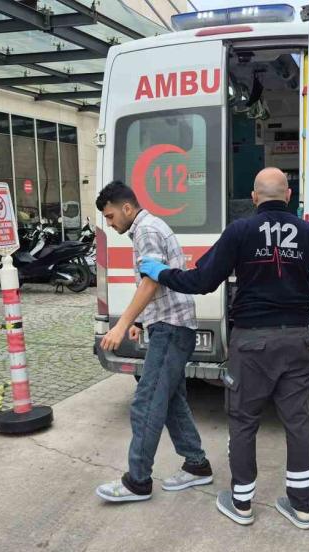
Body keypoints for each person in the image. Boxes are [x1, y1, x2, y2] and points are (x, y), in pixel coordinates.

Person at [139, 168, 309, 530]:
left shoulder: (240, 231)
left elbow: (201, 281)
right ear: (288, 196)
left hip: (252, 342)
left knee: (244, 421)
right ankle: (302, 507)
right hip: (297, 340)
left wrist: (160, 272)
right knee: (298, 422)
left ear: (255, 198)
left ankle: (241, 502)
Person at [93, 181, 213, 503]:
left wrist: (122, 325)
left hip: (171, 329)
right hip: (170, 325)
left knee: (146, 403)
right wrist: (141, 322)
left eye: (110, 216)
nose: (109, 223)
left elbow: (151, 282)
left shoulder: (146, 230)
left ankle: (137, 481)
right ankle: (197, 464)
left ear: (127, 208)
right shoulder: (148, 227)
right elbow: (156, 280)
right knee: (170, 400)